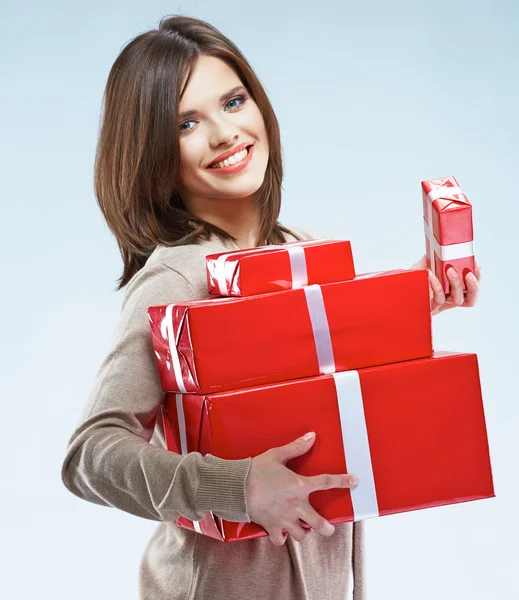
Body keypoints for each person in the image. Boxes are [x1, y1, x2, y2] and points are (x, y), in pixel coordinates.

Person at [60, 15, 481, 600]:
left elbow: (312, 384)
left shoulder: (298, 250)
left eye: (233, 101)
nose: (225, 133)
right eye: (186, 122)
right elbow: (90, 455)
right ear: (153, 151)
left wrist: (407, 300)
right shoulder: (176, 279)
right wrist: (236, 487)